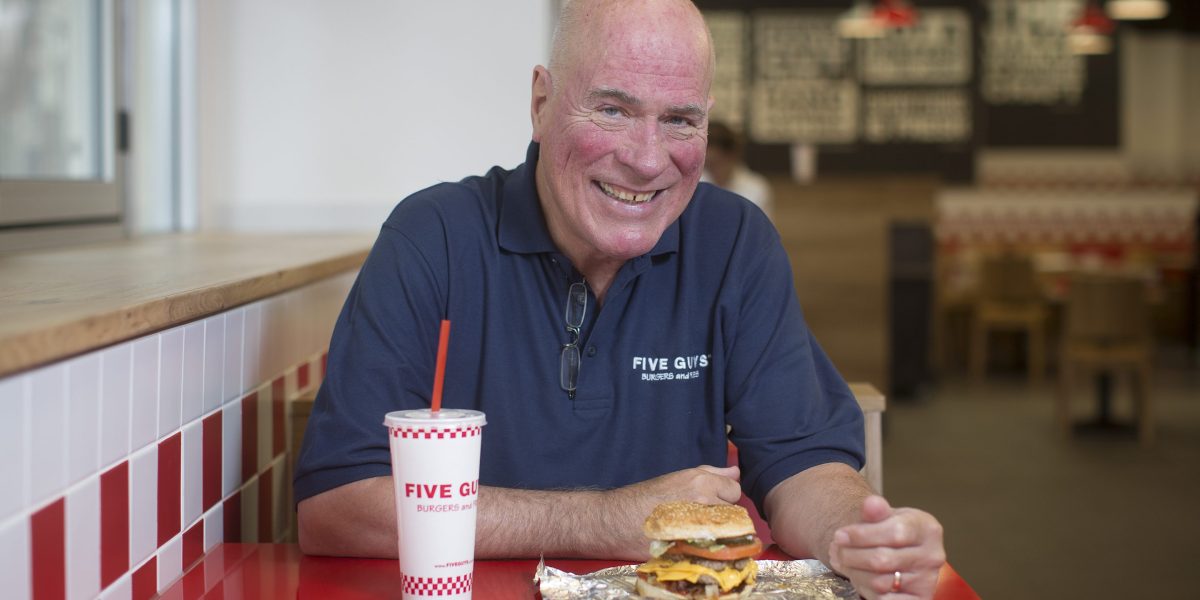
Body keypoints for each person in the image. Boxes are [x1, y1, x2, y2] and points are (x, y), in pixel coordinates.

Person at [294, 1, 946, 598]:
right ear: (542, 102)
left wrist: (855, 539)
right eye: (612, 110)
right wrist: (610, 520)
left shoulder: (735, 242)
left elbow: (801, 464)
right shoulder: (432, 238)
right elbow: (337, 507)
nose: (646, 159)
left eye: (680, 120)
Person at [702, 120, 772, 217]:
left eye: (717, 163)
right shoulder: (694, 185)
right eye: (707, 165)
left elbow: (761, 230)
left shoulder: (756, 188)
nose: (714, 171)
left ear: (732, 156)